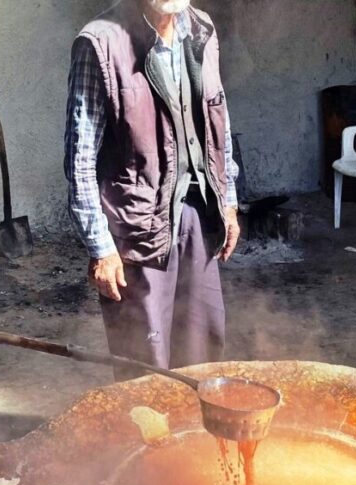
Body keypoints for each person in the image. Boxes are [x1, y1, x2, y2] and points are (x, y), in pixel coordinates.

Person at [65, 0, 240, 378]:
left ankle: (193, 438)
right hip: (137, 229)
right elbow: (80, 157)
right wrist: (101, 249)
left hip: (198, 218)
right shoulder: (99, 42)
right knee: (144, 370)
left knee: (202, 361)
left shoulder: (202, 30)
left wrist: (228, 201)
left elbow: (219, 120)